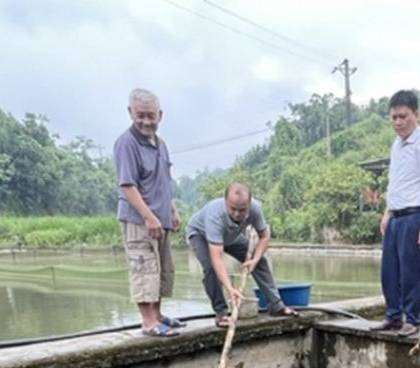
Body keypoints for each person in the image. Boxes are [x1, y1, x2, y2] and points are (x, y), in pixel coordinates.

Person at [371, 89, 420, 338]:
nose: (398, 122)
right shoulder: (397, 145)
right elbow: (396, 181)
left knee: (411, 271)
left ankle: (412, 319)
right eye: (393, 118)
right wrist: (387, 212)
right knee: (389, 270)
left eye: (403, 116)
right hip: (396, 215)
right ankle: (393, 316)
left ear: (416, 114)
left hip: (415, 216)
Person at [113, 88, 183, 337]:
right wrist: (148, 215)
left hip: (161, 219)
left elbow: (164, 181)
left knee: (162, 269)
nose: (145, 121)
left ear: (159, 115)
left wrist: (172, 210)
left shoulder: (160, 144)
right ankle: (148, 322)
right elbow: (127, 185)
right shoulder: (126, 143)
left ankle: (158, 315)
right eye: (140, 115)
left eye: (150, 116)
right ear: (130, 112)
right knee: (144, 267)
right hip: (138, 219)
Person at [186, 183, 299, 326]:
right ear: (226, 201)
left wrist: (255, 260)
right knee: (210, 268)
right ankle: (221, 313)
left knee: (260, 262)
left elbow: (264, 237)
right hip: (201, 234)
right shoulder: (215, 215)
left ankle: (276, 306)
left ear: (249, 204)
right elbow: (217, 258)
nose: (237, 214)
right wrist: (230, 289)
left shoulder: (255, 209)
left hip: (230, 237)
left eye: (242, 210)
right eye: (233, 209)